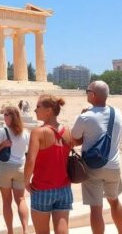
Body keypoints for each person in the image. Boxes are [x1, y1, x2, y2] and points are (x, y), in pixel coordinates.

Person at [71, 81, 122, 234]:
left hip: (93, 167)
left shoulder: (85, 117)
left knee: (96, 208)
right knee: (114, 201)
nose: (86, 93)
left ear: (93, 95)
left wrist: (83, 115)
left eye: (87, 91)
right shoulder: (118, 113)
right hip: (114, 166)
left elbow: (74, 138)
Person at [24, 94, 73, 234]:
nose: (35, 110)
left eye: (38, 107)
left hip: (42, 188)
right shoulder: (67, 131)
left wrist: (26, 181)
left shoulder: (38, 132)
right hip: (64, 188)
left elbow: (30, 160)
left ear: (48, 110)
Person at [0, 105, 30, 234]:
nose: (4, 116)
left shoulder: (3, 132)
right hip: (20, 168)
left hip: (5, 167)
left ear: (12, 117)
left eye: (6, 114)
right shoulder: (25, 133)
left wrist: (3, 145)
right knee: (21, 199)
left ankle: (10, 231)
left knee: (6, 201)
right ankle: (25, 230)